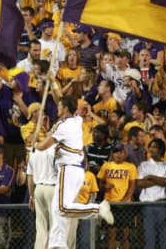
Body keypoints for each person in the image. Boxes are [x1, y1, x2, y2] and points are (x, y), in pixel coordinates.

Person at [35, 95, 114, 249]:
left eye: (59, 106)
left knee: (62, 208)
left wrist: (35, 145)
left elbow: (44, 146)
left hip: (68, 169)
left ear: (65, 108)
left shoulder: (62, 125)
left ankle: (97, 209)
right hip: (76, 170)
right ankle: (57, 244)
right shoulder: (77, 120)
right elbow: (64, 98)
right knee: (57, 209)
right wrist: (53, 82)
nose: (57, 109)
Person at [137, 138, 166, 249]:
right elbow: (140, 183)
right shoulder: (143, 165)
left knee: (163, 236)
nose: (151, 149)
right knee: (149, 236)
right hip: (148, 205)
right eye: (150, 147)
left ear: (161, 150)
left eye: (155, 147)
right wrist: (159, 181)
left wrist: (151, 177)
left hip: (163, 204)